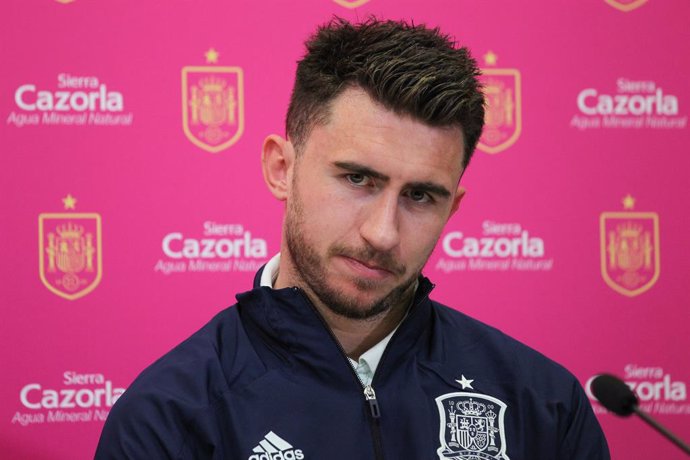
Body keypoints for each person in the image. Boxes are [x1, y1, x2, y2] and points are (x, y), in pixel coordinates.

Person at [96, 18, 610, 460]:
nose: (382, 233)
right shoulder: (169, 418)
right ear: (281, 168)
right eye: (357, 179)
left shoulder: (543, 404)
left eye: (421, 196)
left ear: (452, 208)